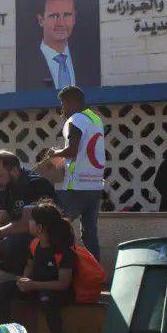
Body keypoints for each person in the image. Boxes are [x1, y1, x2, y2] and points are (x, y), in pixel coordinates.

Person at [0, 200, 75, 333]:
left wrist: (34, 285)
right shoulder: (35, 244)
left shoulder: (63, 251)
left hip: (55, 291)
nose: (29, 223)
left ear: (40, 227)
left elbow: (63, 284)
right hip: (36, 287)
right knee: (3, 289)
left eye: (32, 220)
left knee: (47, 300)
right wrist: (24, 280)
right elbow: (30, 266)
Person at [0, 150, 57, 276]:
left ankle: (39, 277)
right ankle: (24, 278)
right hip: (17, 236)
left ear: (13, 171)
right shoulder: (4, 186)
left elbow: (27, 224)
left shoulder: (35, 184)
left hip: (44, 238)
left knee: (12, 244)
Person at [46, 86, 105, 260]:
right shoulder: (95, 119)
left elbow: (72, 151)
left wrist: (53, 153)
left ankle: (58, 269)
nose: (62, 109)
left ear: (72, 102)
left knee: (58, 228)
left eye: (63, 104)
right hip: (95, 185)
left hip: (76, 187)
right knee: (89, 234)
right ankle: (95, 277)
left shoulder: (76, 119)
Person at [16, 0, 101, 91]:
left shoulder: (89, 60)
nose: (61, 23)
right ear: (41, 20)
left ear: (74, 18)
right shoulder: (24, 65)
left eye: (67, 15)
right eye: (54, 16)